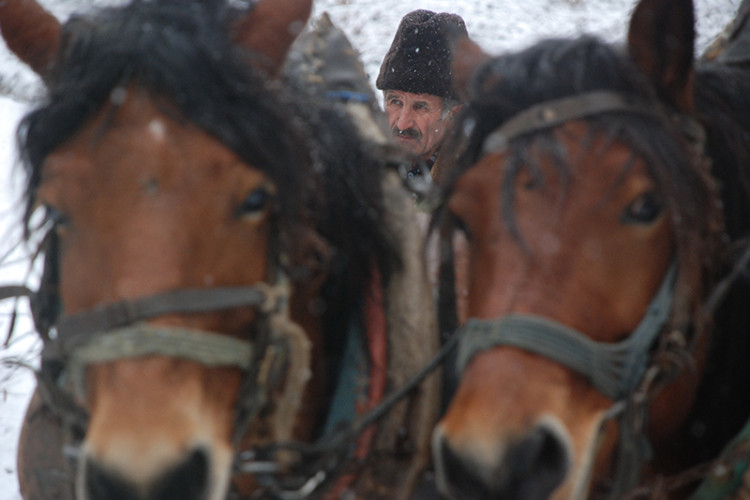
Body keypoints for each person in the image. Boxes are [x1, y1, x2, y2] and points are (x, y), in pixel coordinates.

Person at [376, 9, 468, 179]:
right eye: (395, 102)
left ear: (455, 116)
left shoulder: (474, 184)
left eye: (420, 106)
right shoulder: (358, 168)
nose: (403, 124)